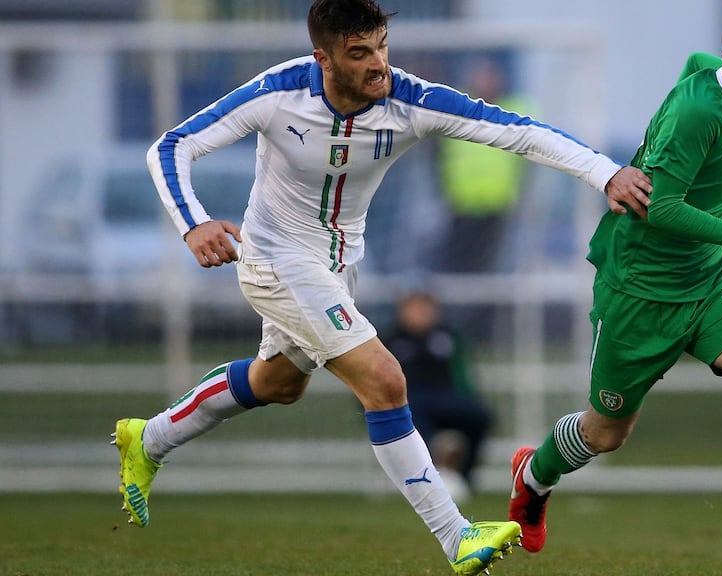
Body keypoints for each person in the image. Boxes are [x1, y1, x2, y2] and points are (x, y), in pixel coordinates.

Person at [112, 1, 652, 575]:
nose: (379, 65)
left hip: (339, 267)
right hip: (273, 260)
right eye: (359, 54)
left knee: (278, 383)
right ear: (323, 58)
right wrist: (194, 223)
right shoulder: (277, 93)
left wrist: (604, 171)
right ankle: (457, 536)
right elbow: (170, 146)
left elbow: (515, 132)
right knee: (386, 379)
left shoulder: (410, 100)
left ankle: (149, 439)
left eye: (382, 47)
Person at [506, 1, 722, 572]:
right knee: (605, 434)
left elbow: (696, 62)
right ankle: (534, 474)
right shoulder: (699, 115)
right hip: (639, 293)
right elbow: (659, 208)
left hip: (706, 285)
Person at [382, 290, 493, 499]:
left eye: (425, 307)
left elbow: (464, 375)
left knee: (480, 416)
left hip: (447, 397)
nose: (420, 313)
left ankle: (462, 477)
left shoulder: (449, 337)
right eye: (414, 308)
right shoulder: (389, 341)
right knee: (413, 420)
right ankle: (425, 477)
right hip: (409, 400)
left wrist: (470, 397)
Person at [438, 55, 532, 273]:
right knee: (459, 264)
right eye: (481, 75)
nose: (486, 81)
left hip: (499, 207)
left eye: (490, 76)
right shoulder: (454, 111)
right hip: (461, 206)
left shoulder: (514, 111)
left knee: (492, 266)